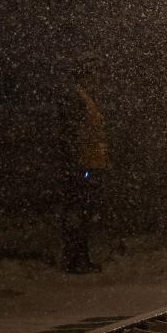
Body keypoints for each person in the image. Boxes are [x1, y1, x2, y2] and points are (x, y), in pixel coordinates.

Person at [56, 55, 110, 273]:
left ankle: (79, 257)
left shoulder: (84, 98)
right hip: (83, 165)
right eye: (94, 74)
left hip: (89, 163)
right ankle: (75, 259)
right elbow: (72, 134)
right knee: (79, 212)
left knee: (83, 212)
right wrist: (76, 164)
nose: (98, 79)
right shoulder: (77, 99)